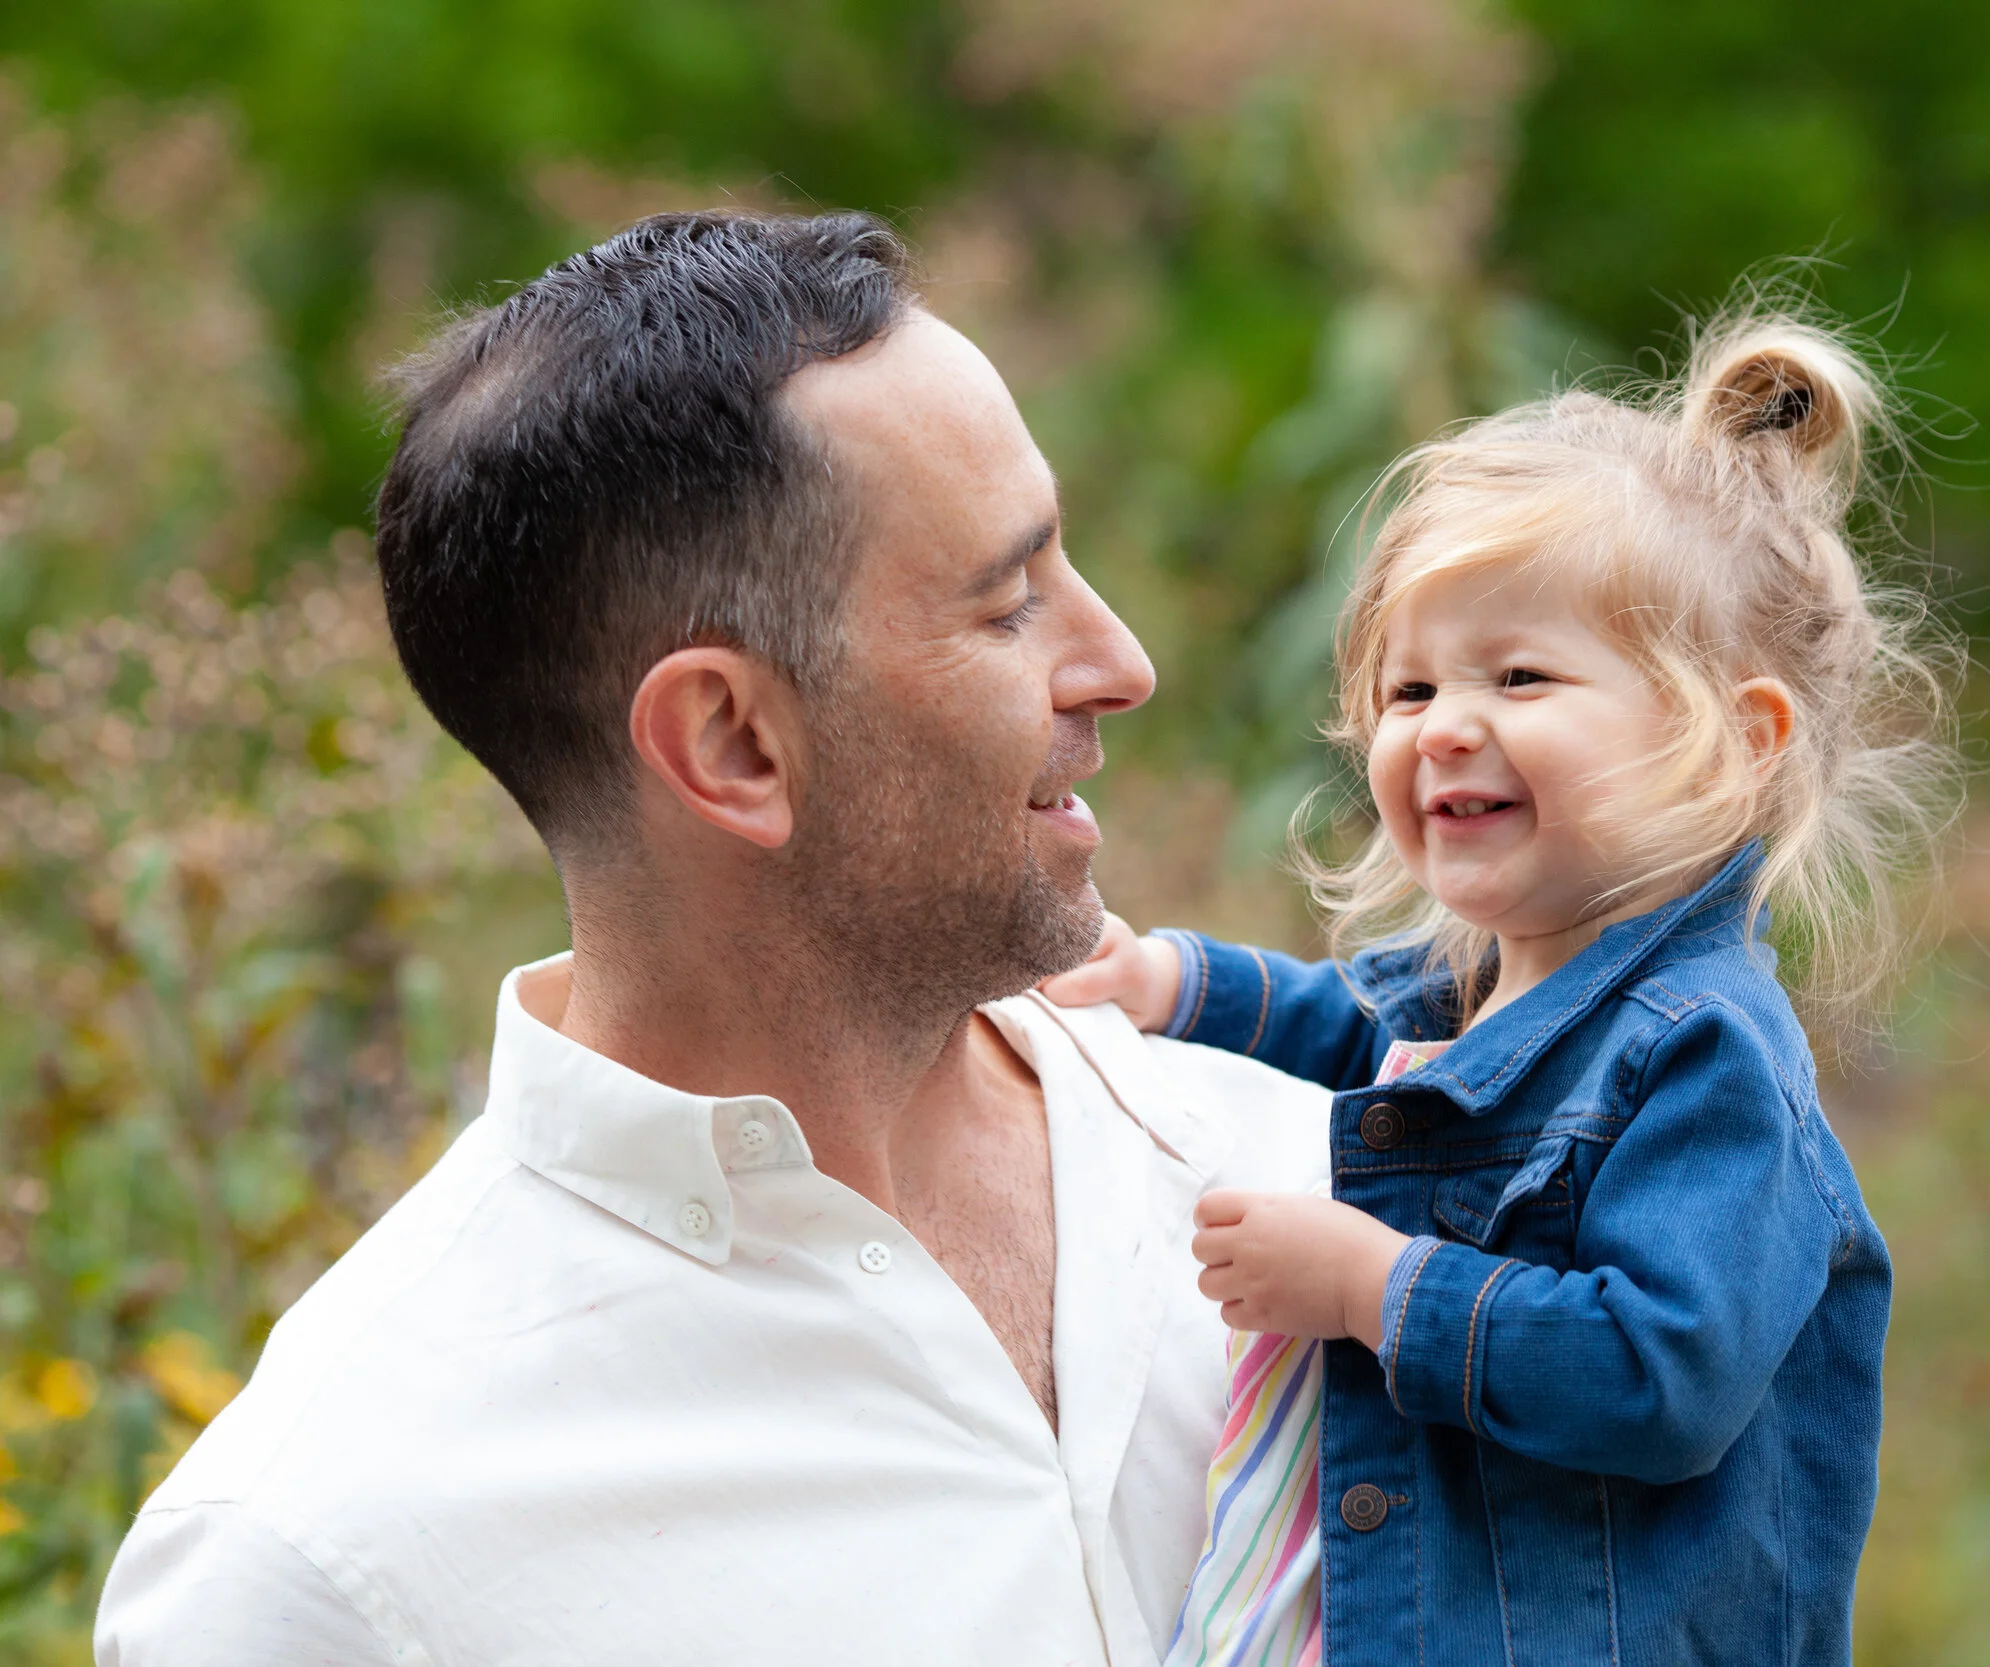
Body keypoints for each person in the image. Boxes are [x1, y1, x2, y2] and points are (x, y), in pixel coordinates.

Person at [93, 211, 1331, 1666]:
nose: (1123, 664)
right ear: (733, 742)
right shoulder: (331, 1560)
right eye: (1008, 606)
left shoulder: (1331, 1162)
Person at [1044, 311, 1961, 1665]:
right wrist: (1169, 976)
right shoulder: (1483, 987)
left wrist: (1375, 1286)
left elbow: (1665, 1372)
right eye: (1408, 685)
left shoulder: (1705, 1051)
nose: (1444, 722)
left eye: (1520, 675)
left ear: (1737, 744)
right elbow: (1357, 1022)